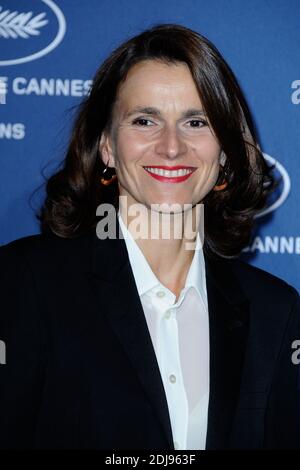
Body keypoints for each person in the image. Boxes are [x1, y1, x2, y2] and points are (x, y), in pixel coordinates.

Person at [0, 23, 299, 450]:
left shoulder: (275, 312)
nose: (171, 146)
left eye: (196, 121)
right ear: (106, 146)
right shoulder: (24, 284)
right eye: (145, 120)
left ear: (226, 151)